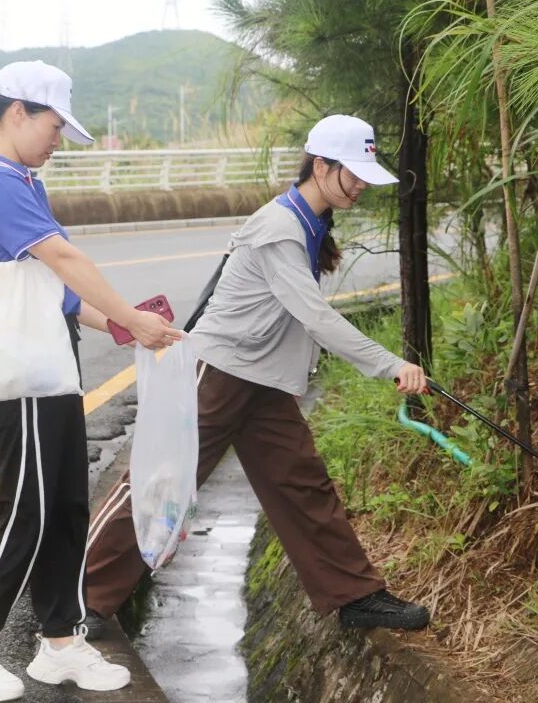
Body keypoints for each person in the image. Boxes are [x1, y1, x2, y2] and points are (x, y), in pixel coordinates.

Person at [83, 114, 432, 639]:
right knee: (160, 481)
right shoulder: (280, 227)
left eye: (366, 174)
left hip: (261, 381)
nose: (361, 184)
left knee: (302, 484)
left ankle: (354, 595)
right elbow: (316, 317)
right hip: (219, 373)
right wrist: (392, 364)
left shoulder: (308, 222)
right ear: (321, 166)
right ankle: (78, 598)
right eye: (354, 173)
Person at [0, 60, 182, 702]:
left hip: (48, 365)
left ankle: (61, 643)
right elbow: (65, 259)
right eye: (54, 125)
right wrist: (131, 318)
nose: (58, 140)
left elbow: (59, 292)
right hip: (20, 374)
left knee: (66, 505)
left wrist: (124, 327)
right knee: (25, 509)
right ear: (17, 111)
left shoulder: (22, 180)